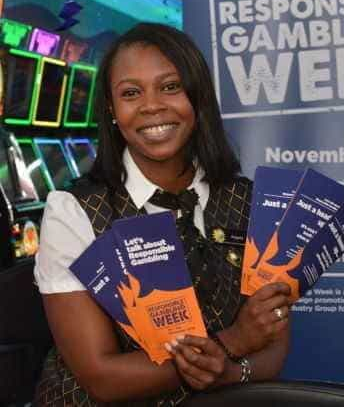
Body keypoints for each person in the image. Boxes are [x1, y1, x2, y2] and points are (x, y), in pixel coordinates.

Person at [34, 23, 291, 405]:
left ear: (196, 96)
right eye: (131, 93)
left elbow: (273, 342)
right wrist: (234, 341)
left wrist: (231, 374)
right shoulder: (73, 212)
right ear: (111, 108)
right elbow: (101, 377)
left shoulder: (251, 201)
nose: (152, 105)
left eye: (170, 87)